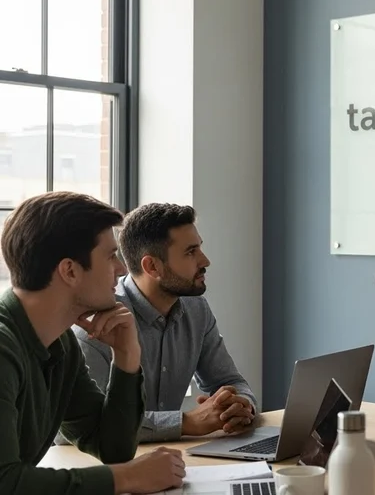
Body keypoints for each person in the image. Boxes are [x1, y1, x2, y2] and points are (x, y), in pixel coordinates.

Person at [0, 191, 185, 495]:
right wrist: (127, 477)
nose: (122, 269)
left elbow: (112, 448)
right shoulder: (3, 348)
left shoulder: (60, 343)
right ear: (70, 271)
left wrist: (126, 355)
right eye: (111, 256)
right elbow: (5, 483)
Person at [72, 203, 258, 443]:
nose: (205, 261)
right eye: (190, 252)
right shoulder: (96, 326)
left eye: (199, 248)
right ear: (152, 267)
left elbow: (229, 381)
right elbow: (89, 426)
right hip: (101, 463)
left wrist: (241, 405)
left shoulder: (196, 310)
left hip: (173, 456)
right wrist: (186, 422)